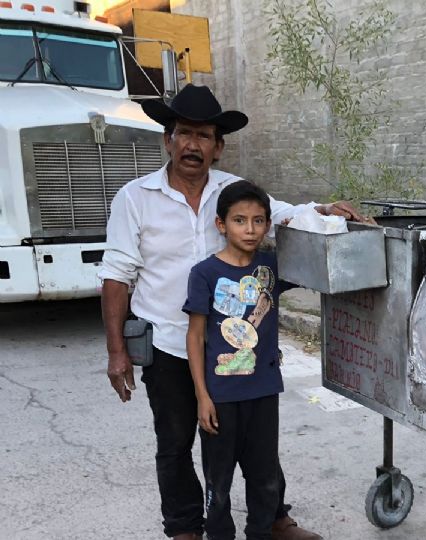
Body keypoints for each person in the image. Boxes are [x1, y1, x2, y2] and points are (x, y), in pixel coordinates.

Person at [100, 84, 366, 540]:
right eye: (184, 133)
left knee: (255, 442)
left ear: (218, 147)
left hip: (234, 350)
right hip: (168, 345)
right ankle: (185, 527)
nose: (192, 145)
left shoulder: (233, 193)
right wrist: (116, 352)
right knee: (175, 444)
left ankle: (275, 519)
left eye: (203, 136)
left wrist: (324, 210)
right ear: (168, 139)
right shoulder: (134, 198)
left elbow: (282, 214)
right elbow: (116, 276)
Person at [183, 180, 293, 540]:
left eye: (259, 221)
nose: (250, 229)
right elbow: (196, 336)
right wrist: (202, 396)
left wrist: (328, 215)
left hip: (264, 392)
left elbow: (320, 260)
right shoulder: (205, 273)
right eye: (240, 220)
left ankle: (260, 533)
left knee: (264, 478)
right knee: (219, 480)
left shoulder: (272, 268)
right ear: (221, 225)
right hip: (221, 397)